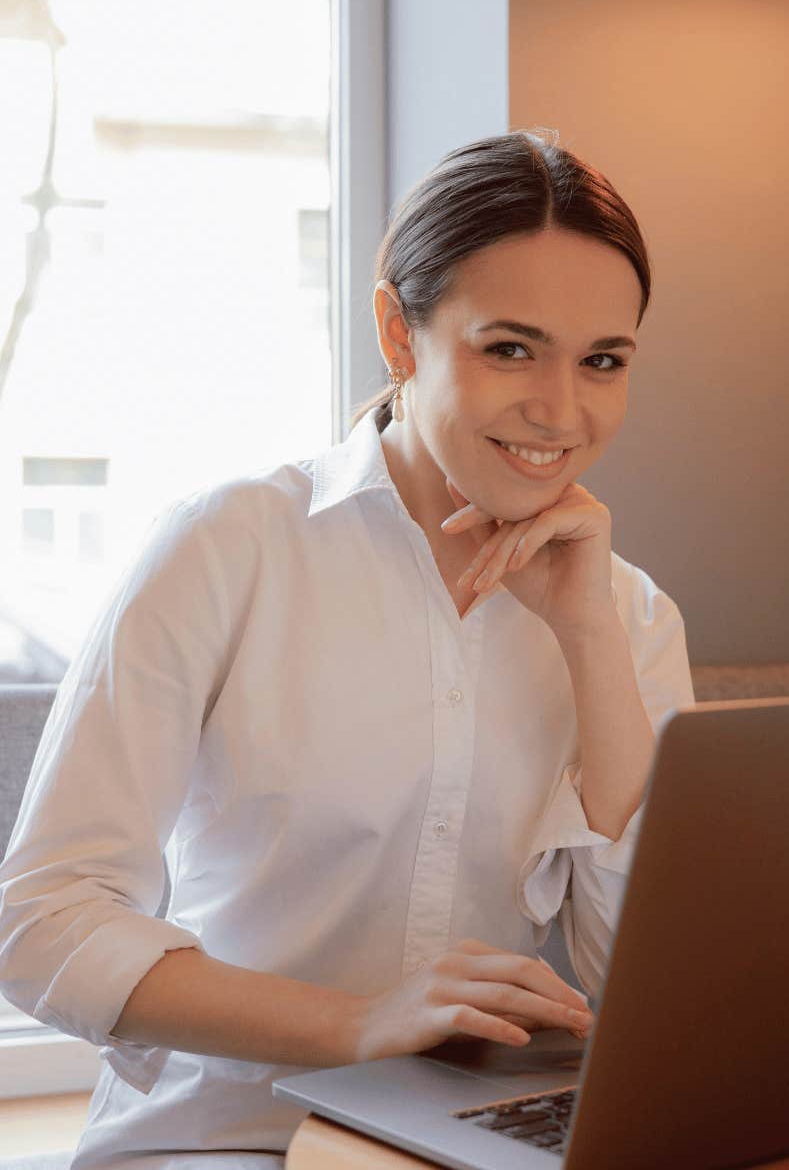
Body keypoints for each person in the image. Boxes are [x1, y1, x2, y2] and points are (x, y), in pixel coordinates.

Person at [0, 128, 694, 1168]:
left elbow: (637, 985)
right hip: (227, 1140)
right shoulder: (229, 546)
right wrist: (360, 1023)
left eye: (602, 360)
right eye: (509, 348)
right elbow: (44, 921)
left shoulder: (630, 616)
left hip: (474, 1143)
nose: (560, 411)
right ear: (398, 334)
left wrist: (590, 636)